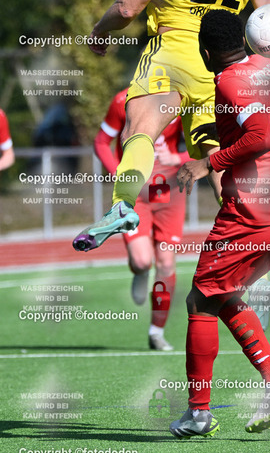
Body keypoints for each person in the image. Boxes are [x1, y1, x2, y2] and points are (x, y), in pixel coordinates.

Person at [72, 0, 270, 252]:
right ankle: (250, 246)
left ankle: (122, 206)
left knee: (139, 128)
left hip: (175, 51)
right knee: (216, 154)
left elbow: (128, 7)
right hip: (221, 62)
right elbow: (266, 19)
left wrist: (99, 32)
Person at [168, 9, 270, 438]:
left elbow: (261, 136)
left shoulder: (229, 80)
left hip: (251, 215)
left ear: (206, 51)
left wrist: (207, 163)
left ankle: (198, 414)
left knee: (199, 301)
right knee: (222, 293)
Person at [93, 88, 189, 351]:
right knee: (142, 260)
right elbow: (101, 142)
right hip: (135, 191)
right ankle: (140, 270)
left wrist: (178, 158)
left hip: (168, 191)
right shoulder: (123, 100)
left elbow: (206, 145)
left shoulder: (183, 97)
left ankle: (156, 332)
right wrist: (117, 172)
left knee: (166, 263)